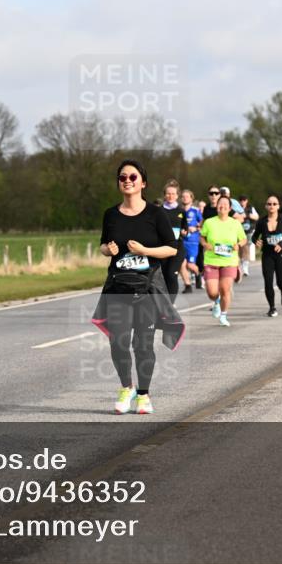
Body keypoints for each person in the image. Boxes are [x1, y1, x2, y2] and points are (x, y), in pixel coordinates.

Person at [91, 160, 183, 415]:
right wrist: (105, 250)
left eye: (133, 177)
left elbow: (171, 248)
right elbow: (102, 245)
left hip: (147, 289)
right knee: (118, 343)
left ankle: (143, 395)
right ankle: (126, 387)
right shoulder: (111, 214)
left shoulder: (156, 214)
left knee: (142, 345)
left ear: (143, 183)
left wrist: (144, 251)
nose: (127, 181)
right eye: (122, 178)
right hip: (118, 288)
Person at [200, 195, 247, 326]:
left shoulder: (235, 223)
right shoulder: (209, 222)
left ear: (230, 208)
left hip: (229, 261)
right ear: (217, 206)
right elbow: (202, 237)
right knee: (212, 292)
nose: (223, 206)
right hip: (211, 260)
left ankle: (224, 315)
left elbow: (243, 239)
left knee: (225, 289)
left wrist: (239, 245)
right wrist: (205, 244)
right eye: (220, 203)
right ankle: (216, 301)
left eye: (226, 204)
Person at [252, 195, 282, 317]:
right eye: (269, 204)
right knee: (268, 282)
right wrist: (256, 241)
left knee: (281, 282)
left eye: (274, 204)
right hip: (267, 255)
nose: (272, 206)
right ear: (266, 206)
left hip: (281, 255)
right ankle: (272, 307)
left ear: (278, 206)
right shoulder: (262, 222)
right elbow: (255, 236)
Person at [160, 179, 185, 302]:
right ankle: (163, 303)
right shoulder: (159, 211)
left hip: (177, 247)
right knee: (164, 276)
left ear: (177, 195)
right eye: (168, 193)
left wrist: (185, 231)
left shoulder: (181, 211)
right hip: (162, 247)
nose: (170, 196)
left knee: (171, 273)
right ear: (164, 194)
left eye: (173, 194)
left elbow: (185, 228)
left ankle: (171, 304)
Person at [179, 189, 203, 293]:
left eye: (187, 196)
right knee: (181, 264)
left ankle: (198, 274)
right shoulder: (179, 210)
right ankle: (187, 285)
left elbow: (203, 224)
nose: (184, 198)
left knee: (190, 265)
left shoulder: (195, 211)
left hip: (192, 242)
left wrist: (196, 228)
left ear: (191, 198)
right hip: (181, 241)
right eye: (183, 196)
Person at [237, 195, 259, 276]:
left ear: (247, 201)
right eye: (241, 200)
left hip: (249, 231)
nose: (242, 201)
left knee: (246, 248)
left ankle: (245, 268)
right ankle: (240, 266)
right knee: (239, 249)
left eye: (244, 200)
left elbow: (257, 217)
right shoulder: (236, 208)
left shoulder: (251, 208)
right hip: (239, 231)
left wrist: (249, 215)